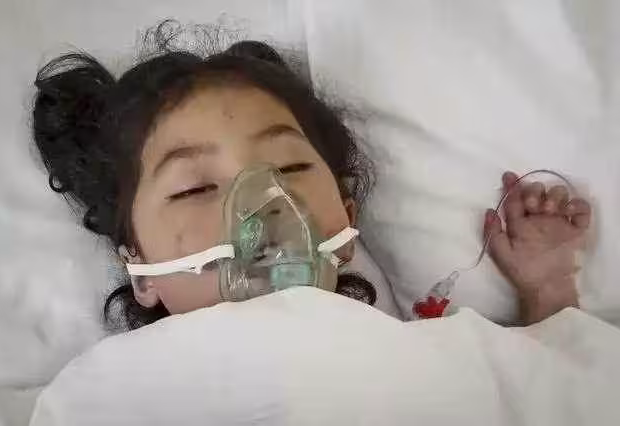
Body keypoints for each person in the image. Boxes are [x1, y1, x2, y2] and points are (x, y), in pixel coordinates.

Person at [32, 23, 592, 330]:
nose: (264, 204)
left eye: (291, 168)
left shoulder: (419, 357)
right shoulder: (118, 393)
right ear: (140, 271)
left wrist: (546, 288)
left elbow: (556, 394)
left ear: (345, 226)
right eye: (195, 187)